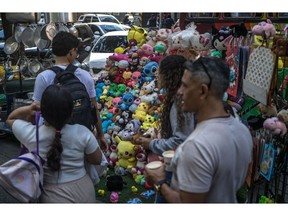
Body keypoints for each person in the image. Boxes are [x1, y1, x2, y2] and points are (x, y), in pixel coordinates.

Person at [144, 56, 253, 203]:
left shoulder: (197, 146)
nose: (180, 91)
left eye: (185, 85)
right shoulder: (242, 131)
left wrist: (159, 182)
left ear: (202, 91)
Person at [6, 85, 103, 203]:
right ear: (71, 112)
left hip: (51, 196)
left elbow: (10, 119)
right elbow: (97, 160)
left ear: (42, 112)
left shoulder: (32, 134)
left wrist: (30, 108)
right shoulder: (83, 132)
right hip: (84, 191)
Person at [32, 31, 107, 151]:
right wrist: (101, 135)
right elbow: (93, 108)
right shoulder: (85, 76)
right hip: (80, 133)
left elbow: (35, 108)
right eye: (76, 51)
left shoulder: (43, 77)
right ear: (71, 51)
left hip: (50, 136)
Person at [136, 54, 195, 157]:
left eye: (160, 71)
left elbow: (180, 141)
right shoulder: (177, 98)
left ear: (168, 75)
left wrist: (151, 144)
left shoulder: (180, 103)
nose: (157, 75)